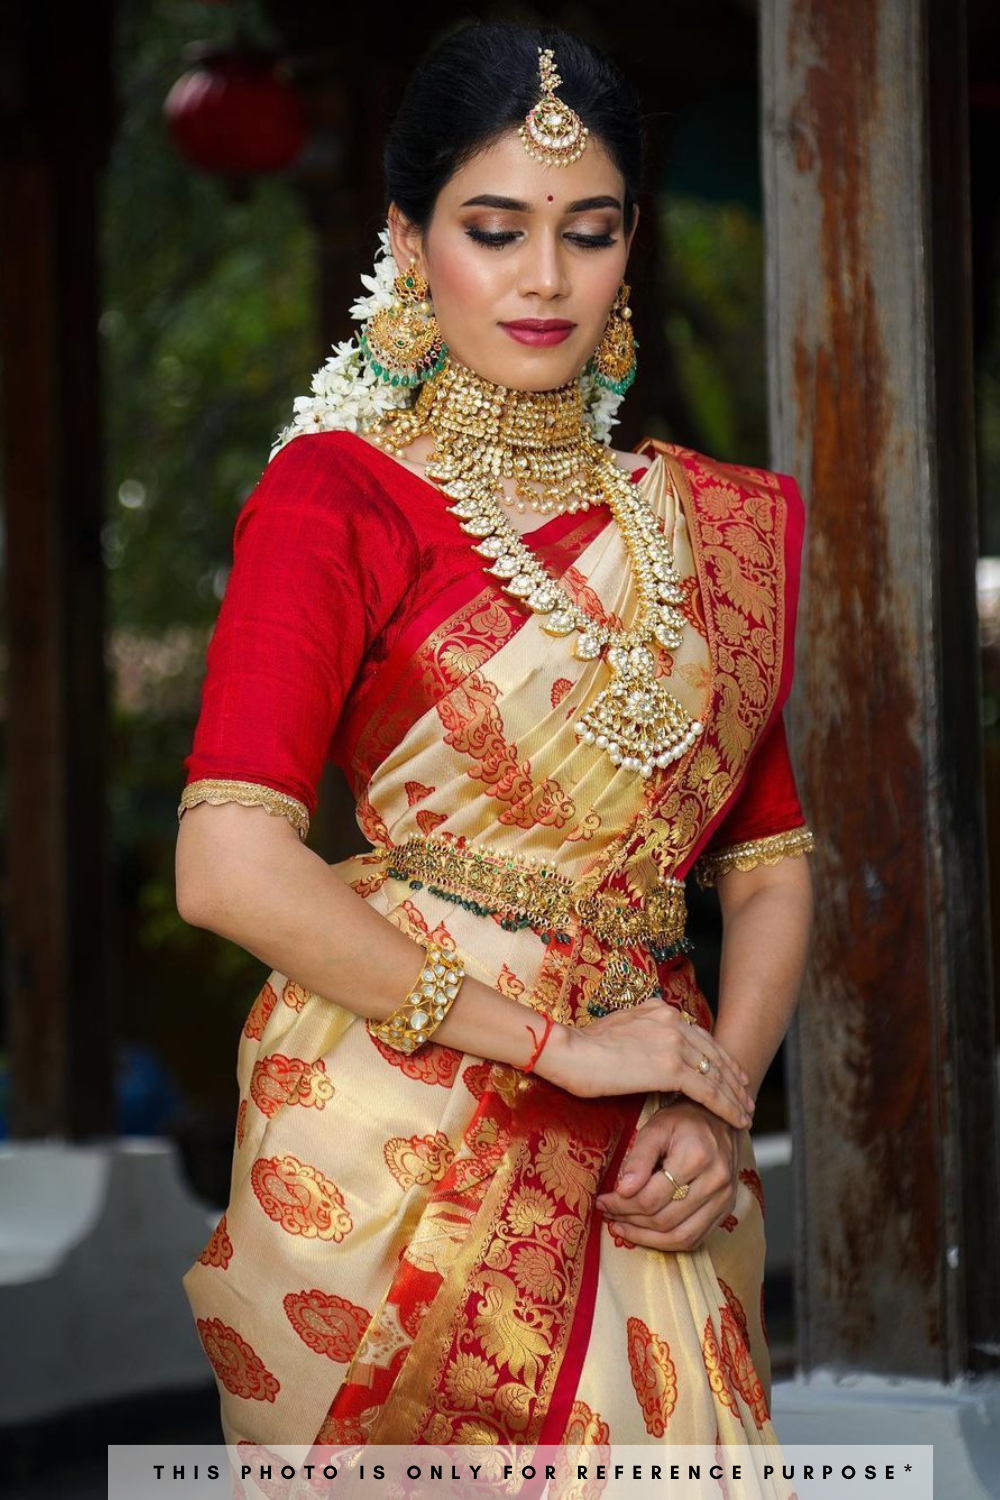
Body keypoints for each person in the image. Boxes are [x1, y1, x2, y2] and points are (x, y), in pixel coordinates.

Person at [175, 18, 815, 1467]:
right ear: (405, 240)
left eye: (585, 234)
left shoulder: (703, 531)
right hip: (394, 1131)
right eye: (492, 228)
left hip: (657, 1133)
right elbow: (225, 867)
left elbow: (770, 860)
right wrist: (561, 1047)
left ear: (631, 244)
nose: (543, 279)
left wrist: (718, 1108)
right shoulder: (337, 498)